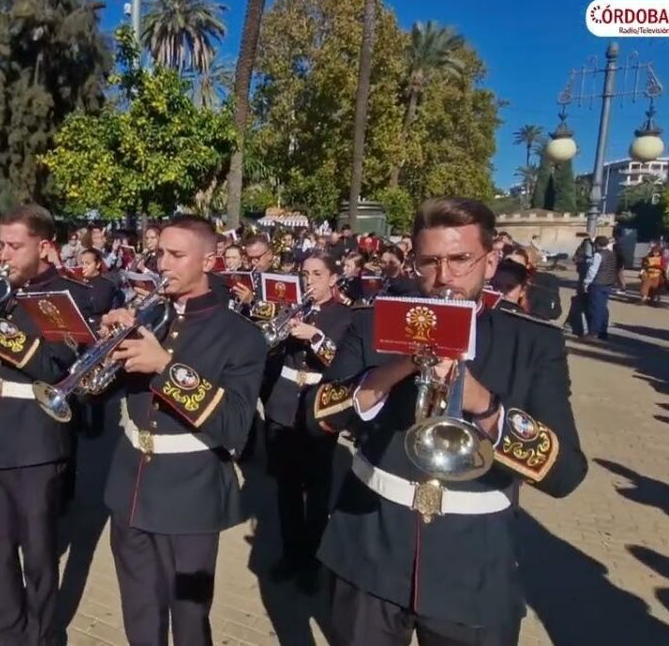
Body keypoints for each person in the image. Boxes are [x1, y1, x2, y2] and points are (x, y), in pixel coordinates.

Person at [311, 197, 587, 646]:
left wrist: (485, 404)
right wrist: (396, 368)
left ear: (491, 259)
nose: (444, 277)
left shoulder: (534, 343)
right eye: (429, 262)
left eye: (460, 259)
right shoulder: (373, 325)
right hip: (368, 550)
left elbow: (566, 473)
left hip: (474, 571)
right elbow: (314, 416)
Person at [99, 215, 267, 646]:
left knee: (190, 622)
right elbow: (93, 394)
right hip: (131, 487)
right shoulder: (149, 316)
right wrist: (102, 346)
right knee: (139, 616)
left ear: (208, 260)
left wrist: (165, 369)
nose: (163, 265)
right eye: (160, 254)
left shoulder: (240, 336)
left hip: (191, 494)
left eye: (176, 255)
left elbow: (234, 425)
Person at [0, 204, 91, 645]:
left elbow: (57, 369)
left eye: (14, 246)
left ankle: (43, 636)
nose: (3, 254)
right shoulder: (2, 290)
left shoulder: (67, 297)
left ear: (44, 246)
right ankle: (7, 632)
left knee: (39, 554)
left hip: (34, 443)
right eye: (1, 245)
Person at [262, 252, 352, 591]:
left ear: (332, 279)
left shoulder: (345, 315)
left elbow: (341, 361)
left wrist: (314, 336)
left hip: (317, 406)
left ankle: (313, 560)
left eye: (317, 274)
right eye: (305, 273)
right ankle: (291, 554)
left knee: (316, 491)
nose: (310, 280)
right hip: (284, 404)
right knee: (285, 489)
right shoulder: (292, 308)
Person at [582, 235, 616, 341]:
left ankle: (593, 332)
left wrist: (586, 283)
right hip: (608, 283)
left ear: (597, 245)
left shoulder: (598, 255)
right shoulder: (612, 254)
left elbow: (592, 271)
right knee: (603, 308)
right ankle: (603, 331)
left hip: (597, 284)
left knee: (595, 309)